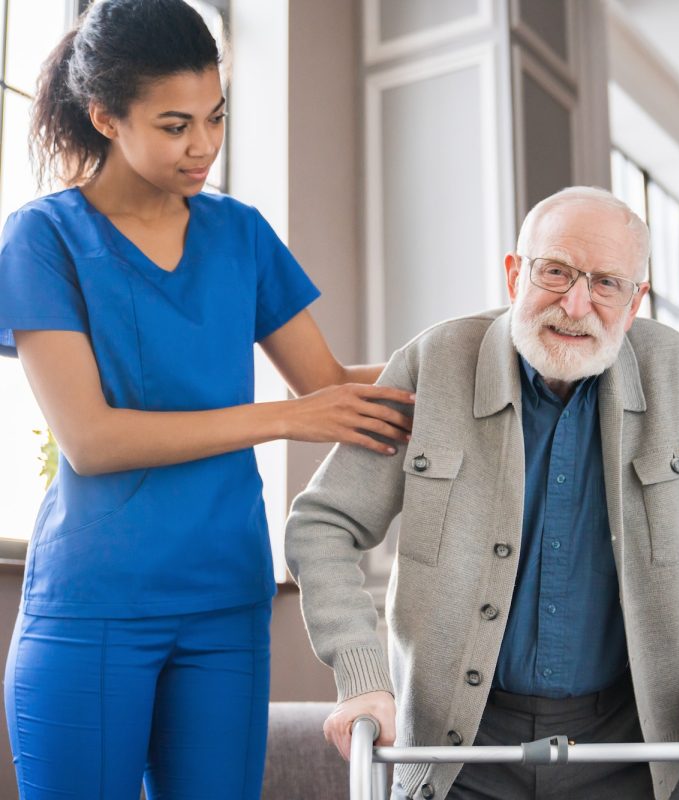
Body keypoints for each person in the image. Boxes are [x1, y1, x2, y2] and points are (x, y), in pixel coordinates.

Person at [0, 1, 414, 798]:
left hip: (226, 600)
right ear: (106, 118)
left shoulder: (241, 234)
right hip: (94, 604)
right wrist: (286, 420)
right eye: (175, 125)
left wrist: (478, 362)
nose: (204, 146)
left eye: (217, 117)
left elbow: (327, 385)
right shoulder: (44, 238)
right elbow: (91, 438)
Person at [285, 186, 679, 800]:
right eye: (555, 272)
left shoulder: (675, 372)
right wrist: (361, 673)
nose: (576, 304)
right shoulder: (435, 360)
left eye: (608, 283)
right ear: (514, 274)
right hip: (454, 751)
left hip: (627, 747)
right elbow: (323, 523)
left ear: (635, 302)